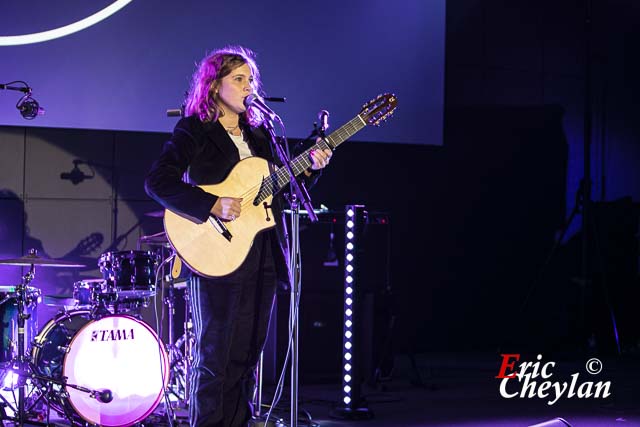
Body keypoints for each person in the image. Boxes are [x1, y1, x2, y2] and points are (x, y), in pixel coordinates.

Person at [144, 46, 332, 427]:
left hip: (261, 252)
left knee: (247, 356)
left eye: (251, 80)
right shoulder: (195, 129)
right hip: (217, 254)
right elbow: (157, 181)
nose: (249, 87)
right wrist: (210, 203)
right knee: (215, 356)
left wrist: (310, 166)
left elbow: (280, 181)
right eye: (239, 79)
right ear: (214, 85)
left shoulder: (260, 134)